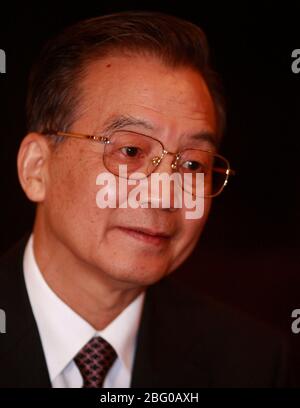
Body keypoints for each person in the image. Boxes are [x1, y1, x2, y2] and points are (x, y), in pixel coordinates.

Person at [0, 11, 289, 388]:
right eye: (131, 151)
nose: (163, 194)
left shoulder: (251, 363)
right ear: (37, 168)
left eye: (191, 163)